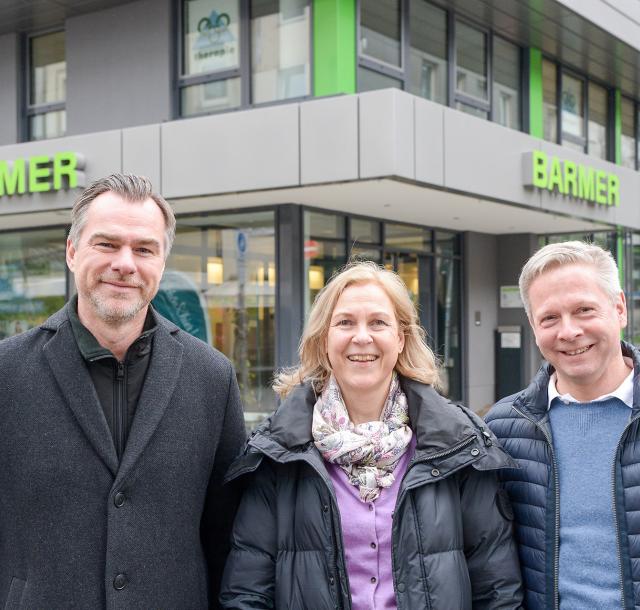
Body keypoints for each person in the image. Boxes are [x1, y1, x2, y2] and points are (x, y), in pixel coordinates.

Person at [0, 174, 246, 609]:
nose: (125, 263)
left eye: (144, 249)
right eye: (107, 244)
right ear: (73, 252)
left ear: (162, 263)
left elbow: (227, 534)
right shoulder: (7, 372)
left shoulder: (212, 378)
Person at [220, 261, 523, 609]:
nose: (361, 337)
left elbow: (497, 591)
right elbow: (247, 593)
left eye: (378, 322)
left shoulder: (458, 445)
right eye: (345, 322)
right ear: (324, 340)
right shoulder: (279, 452)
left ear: (400, 339)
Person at [485, 240, 638, 609]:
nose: (568, 332)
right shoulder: (503, 429)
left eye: (584, 310)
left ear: (619, 308)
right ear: (533, 327)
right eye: (550, 318)